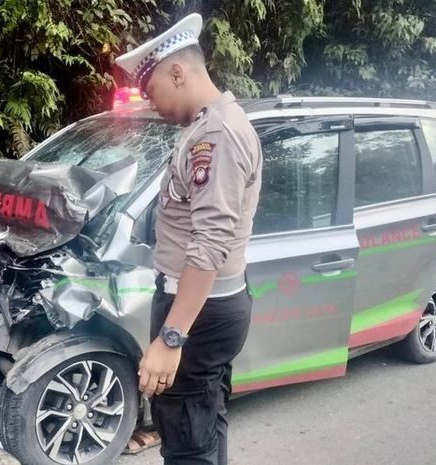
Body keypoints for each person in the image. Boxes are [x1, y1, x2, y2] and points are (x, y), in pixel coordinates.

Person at [115, 13, 263, 465]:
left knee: (186, 441)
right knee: (203, 426)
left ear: (177, 72)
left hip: (197, 312)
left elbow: (210, 241)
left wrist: (172, 338)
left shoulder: (215, 135)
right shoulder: (207, 128)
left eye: (153, 89)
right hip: (209, 306)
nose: (151, 102)